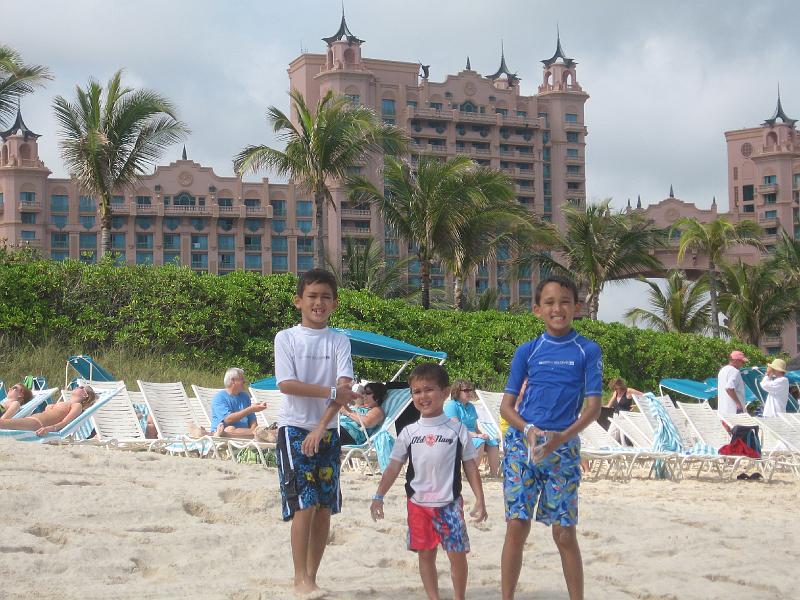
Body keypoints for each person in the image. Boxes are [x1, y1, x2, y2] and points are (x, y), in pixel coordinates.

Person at [499, 275, 603, 600]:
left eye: (564, 302)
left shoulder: (587, 350)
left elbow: (593, 408)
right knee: (517, 526)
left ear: (577, 307)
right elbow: (506, 407)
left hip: (564, 447)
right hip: (522, 445)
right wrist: (528, 430)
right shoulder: (527, 351)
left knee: (564, 534)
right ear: (537, 310)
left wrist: (563, 438)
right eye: (549, 302)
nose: (557, 308)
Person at [273, 268, 359, 597]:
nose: (318, 302)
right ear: (299, 301)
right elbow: (287, 384)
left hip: (327, 431)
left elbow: (345, 388)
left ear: (334, 303)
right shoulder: (286, 337)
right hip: (293, 428)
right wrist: (331, 394)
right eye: (312, 296)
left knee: (324, 507)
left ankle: (312, 575)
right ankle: (299, 578)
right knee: (304, 504)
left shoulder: (339, 340)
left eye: (325, 297)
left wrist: (322, 426)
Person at [370, 362, 487, 600]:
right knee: (425, 555)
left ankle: (459, 596)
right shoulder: (409, 432)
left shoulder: (456, 429)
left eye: (429, 389)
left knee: (457, 555)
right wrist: (378, 496)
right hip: (418, 505)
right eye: (417, 391)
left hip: (450, 504)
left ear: (444, 393)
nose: (423, 396)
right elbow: (394, 466)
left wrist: (480, 499)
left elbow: (470, 466)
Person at [187, 368, 266, 439]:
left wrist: (254, 430)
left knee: (265, 431)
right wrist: (250, 409)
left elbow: (252, 419)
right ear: (233, 381)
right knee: (230, 429)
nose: (244, 381)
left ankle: (260, 433)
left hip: (244, 434)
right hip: (226, 433)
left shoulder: (245, 396)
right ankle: (261, 433)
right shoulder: (219, 398)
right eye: (242, 379)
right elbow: (228, 419)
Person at [445, 379, 501, 478]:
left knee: (493, 444)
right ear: (457, 391)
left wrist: (482, 434)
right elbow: (456, 427)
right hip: (457, 436)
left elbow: (475, 427)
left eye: (470, 390)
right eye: (466, 390)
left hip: (473, 436)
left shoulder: (471, 406)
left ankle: (494, 475)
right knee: (480, 442)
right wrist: (477, 436)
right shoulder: (452, 405)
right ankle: (470, 474)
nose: (469, 392)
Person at [0, 385, 96, 436]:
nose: (77, 386)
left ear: (85, 395)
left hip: (37, 424)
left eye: (80, 387)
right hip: (31, 420)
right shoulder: (64, 403)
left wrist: (49, 429)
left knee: (2, 423)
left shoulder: (77, 405)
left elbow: (65, 422)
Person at [339, 381, 387, 446]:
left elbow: (367, 422)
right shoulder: (359, 406)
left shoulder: (377, 410)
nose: (364, 395)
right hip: (337, 429)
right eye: (363, 393)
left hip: (347, 434)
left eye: (368, 393)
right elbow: (359, 389)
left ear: (377, 397)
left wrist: (347, 412)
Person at [718, 350, 748, 416]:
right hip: (733, 411)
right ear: (736, 360)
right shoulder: (735, 371)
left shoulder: (722, 370)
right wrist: (738, 404)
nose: (743, 364)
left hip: (723, 410)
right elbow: (729, 388)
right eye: (742, 362)